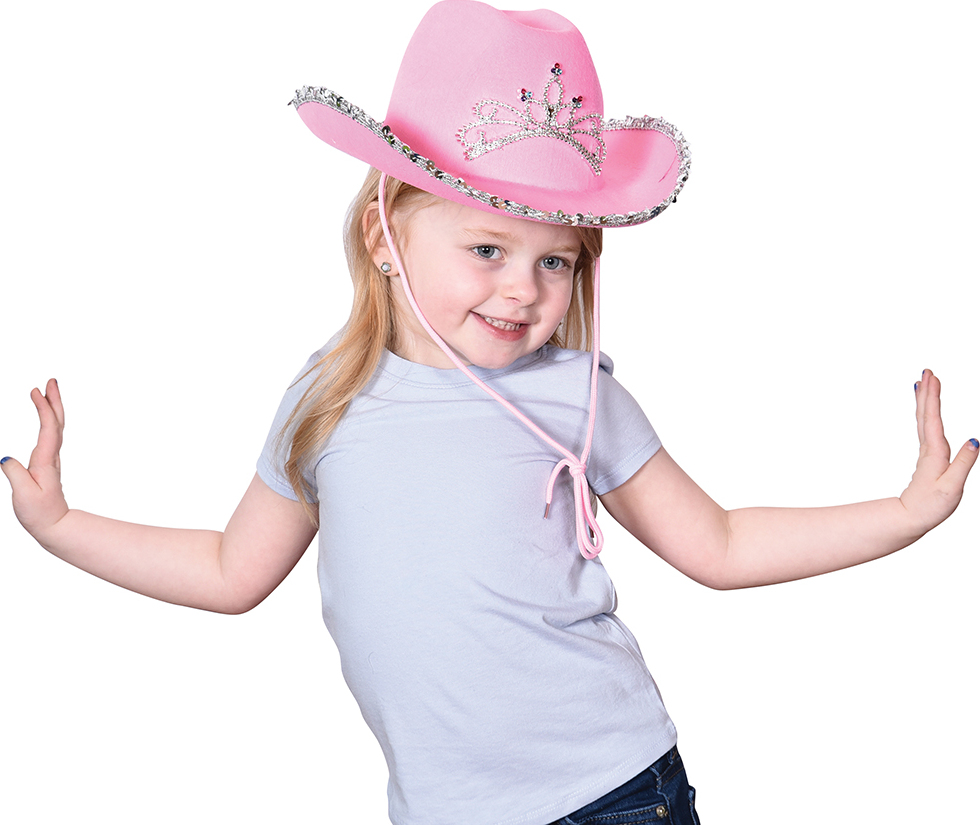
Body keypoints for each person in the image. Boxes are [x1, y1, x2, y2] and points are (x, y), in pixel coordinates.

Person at [2, 2, 976, 824]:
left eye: (555, 259)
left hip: (613, 791)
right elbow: (227, 572)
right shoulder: (326, 400)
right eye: (486, 250)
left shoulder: (578, 393)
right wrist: (60, 526)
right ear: (386, 233)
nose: (524, 289)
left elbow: (716, 544)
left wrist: (902, 513)